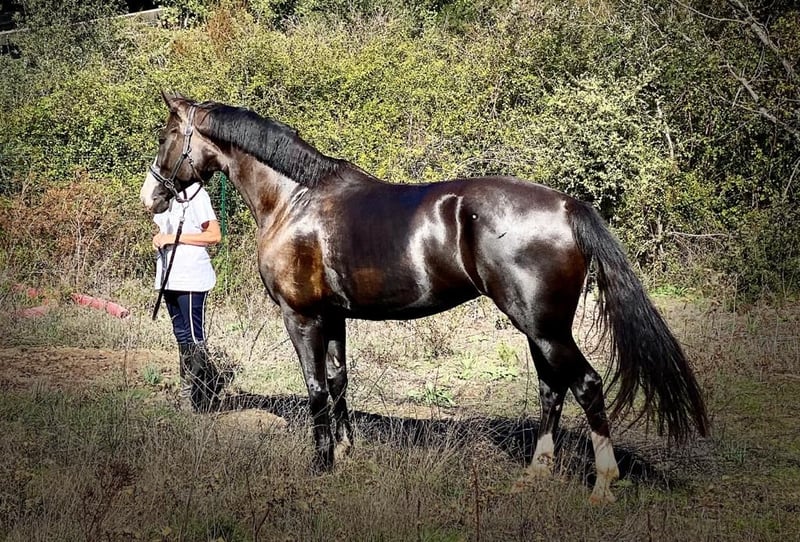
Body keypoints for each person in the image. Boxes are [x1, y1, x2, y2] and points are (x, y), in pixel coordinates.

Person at [152, 183, 222, 412]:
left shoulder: (197, 195)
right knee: (181, 335)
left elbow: (214, 235)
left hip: (191, 276)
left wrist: (174, 237)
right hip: (169, 276)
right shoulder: (168, 197)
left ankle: (197, 396)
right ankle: (189, 392)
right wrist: (160, 238)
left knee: (193, 335)